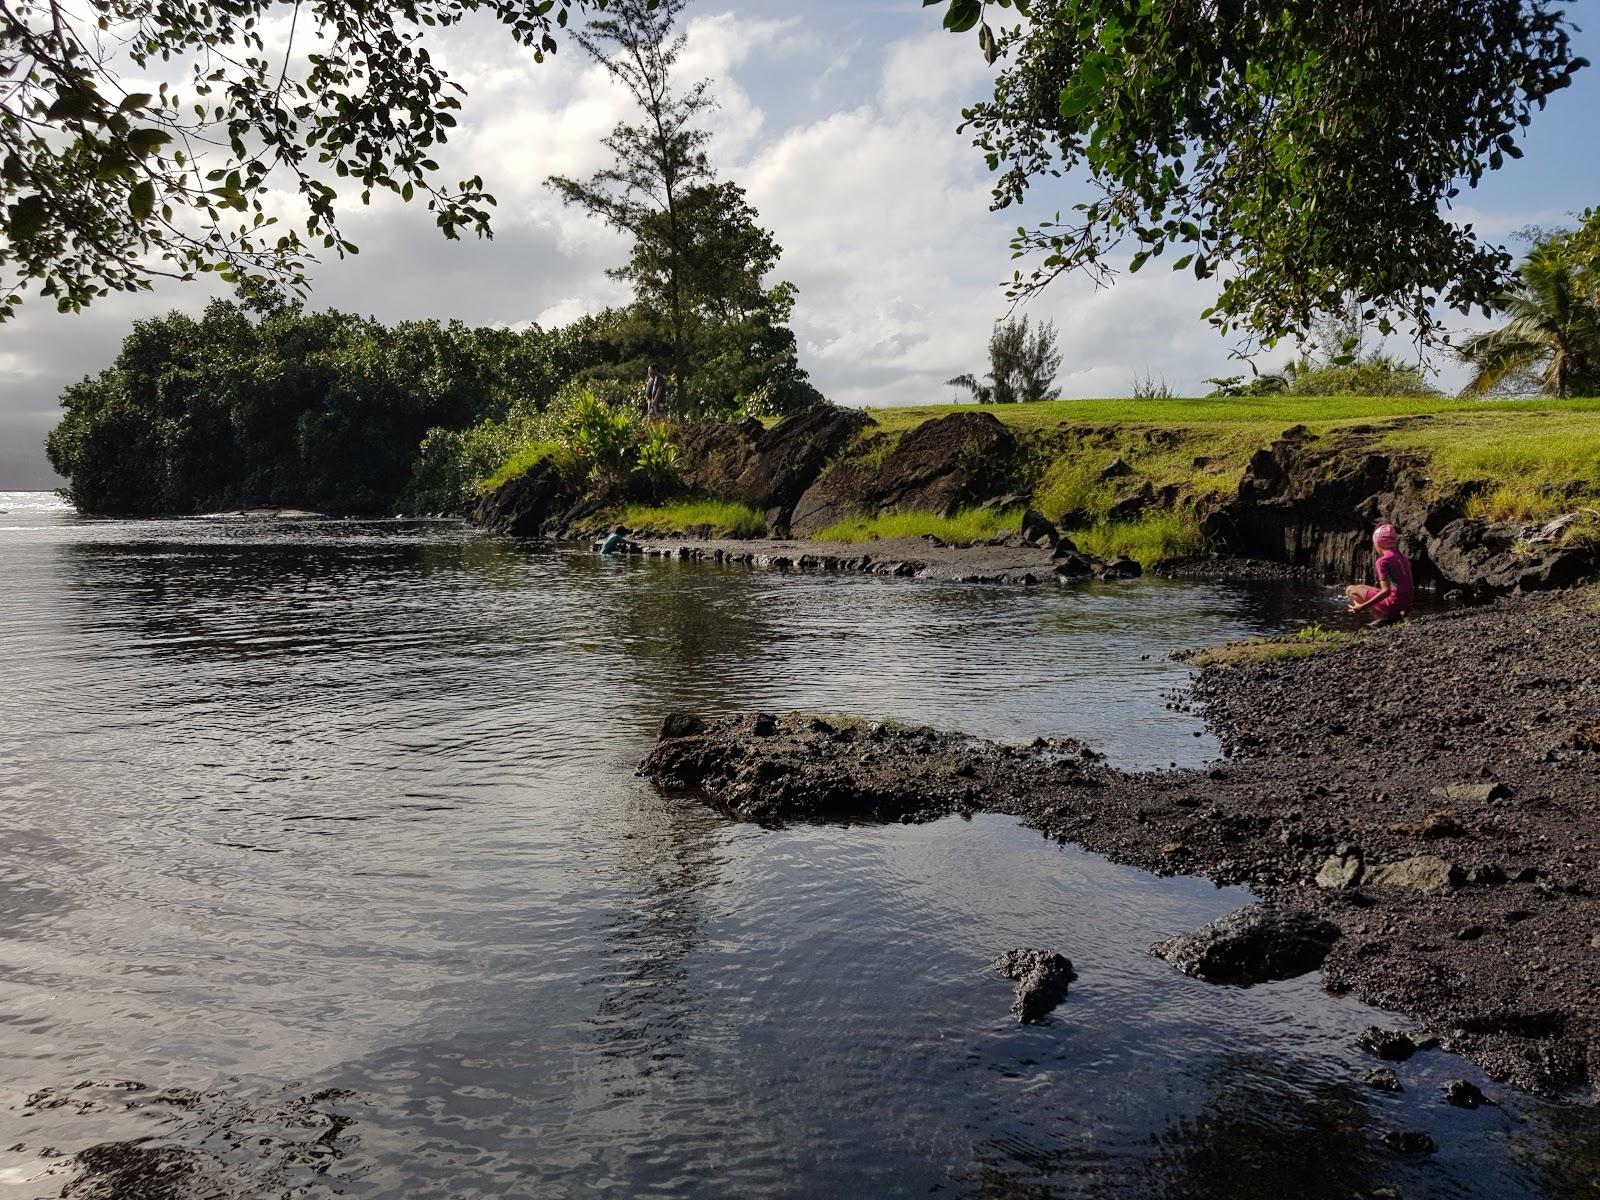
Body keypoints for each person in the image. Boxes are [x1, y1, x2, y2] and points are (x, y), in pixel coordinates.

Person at [1346, 522, 1414, 626]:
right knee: (1360, 586)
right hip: (1406, 607)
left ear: (1377, 543)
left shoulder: (1383, 561)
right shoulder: (1403, 558)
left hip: (1394, 607)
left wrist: (1362, 607)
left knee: (1350, 589)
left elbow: (1386, 591)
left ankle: (1384, 618)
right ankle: (1391, 617)